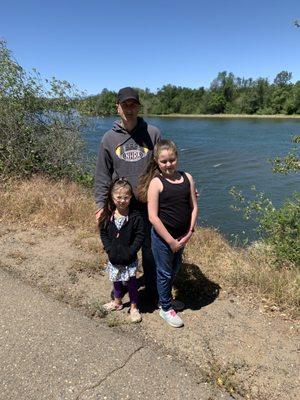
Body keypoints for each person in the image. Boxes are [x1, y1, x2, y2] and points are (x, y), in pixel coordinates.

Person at [94, 87, 161, 303]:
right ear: (118, 108)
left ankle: (151, 291)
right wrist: (101, 205)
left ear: (139, 107)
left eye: (133, 105)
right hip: (122, 205)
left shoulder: (153, 134)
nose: (129, 109)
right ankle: (121, 288)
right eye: (125, 105)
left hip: (148, 204)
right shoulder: (109, 138)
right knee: (122, 249)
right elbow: (102, 175)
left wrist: (182, 188)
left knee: (150, 250)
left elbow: (163, 168)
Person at [138, 140, 198, 327]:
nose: (168, 164)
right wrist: (170, 241)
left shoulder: (187, 178)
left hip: (182, 236)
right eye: (164, 161)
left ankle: (165, 299)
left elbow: (194, 207)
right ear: (157, 161)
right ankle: (165, 308)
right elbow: (153, 217)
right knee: (164, 272)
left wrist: (189, 231)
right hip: (164, 239)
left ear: (177, 158)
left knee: (175, 268)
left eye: (172, 159)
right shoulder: (156, 183)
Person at [99, 178, 144, 323]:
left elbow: (140, 236)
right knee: (116, 281)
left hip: (129, 259)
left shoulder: (135, 217)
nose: (122, 200)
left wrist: (132, 251)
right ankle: (117, 302)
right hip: (114, 257)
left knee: (131, 283)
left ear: (131, 197)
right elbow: (103, 233)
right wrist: (108, 249)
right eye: (119, 197)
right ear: (112, 197)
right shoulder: (108, 216)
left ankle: (134, 306)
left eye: (126, 197)